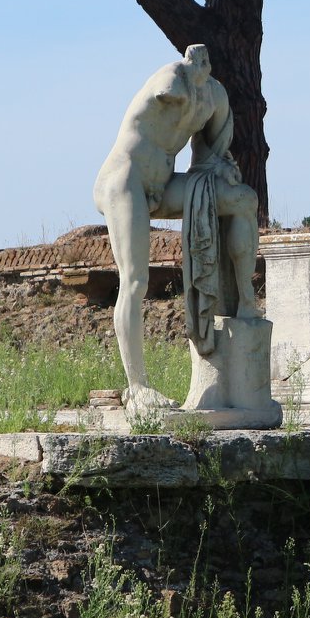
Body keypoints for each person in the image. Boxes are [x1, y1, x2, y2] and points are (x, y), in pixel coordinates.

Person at [93, 45, 259, 412]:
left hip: (165, 184)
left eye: (206, 61)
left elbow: (211, 154)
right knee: (135, 280)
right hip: (126, 179)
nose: (201, 64)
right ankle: (137, 386)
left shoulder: (215, 96)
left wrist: (220, 167)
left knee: (242, 199)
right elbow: (165, 93)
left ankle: (247, 302)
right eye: (193, 60)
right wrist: (188, 92)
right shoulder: (170, 78)